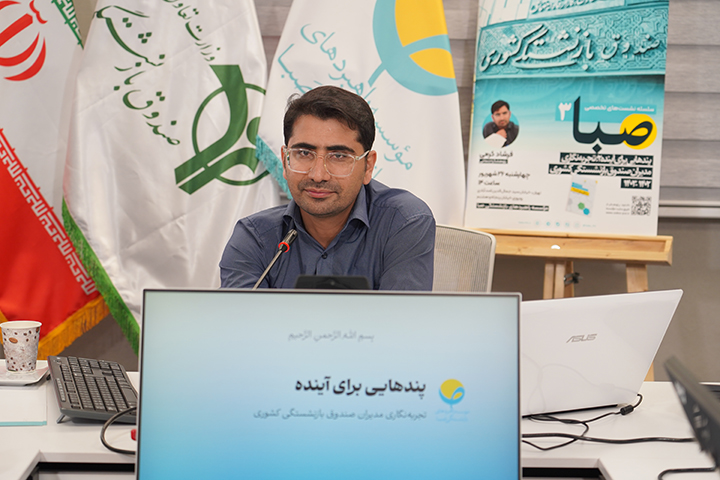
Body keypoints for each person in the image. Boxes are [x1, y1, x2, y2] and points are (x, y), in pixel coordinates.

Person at [219, 86, 435, 290]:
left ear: (368, 166)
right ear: (285, 161)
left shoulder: (402, 222)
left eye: (338, 156)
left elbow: (401, 317)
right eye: (304, 153)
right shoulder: (255, 237)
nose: (318, 175)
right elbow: (240, 317)